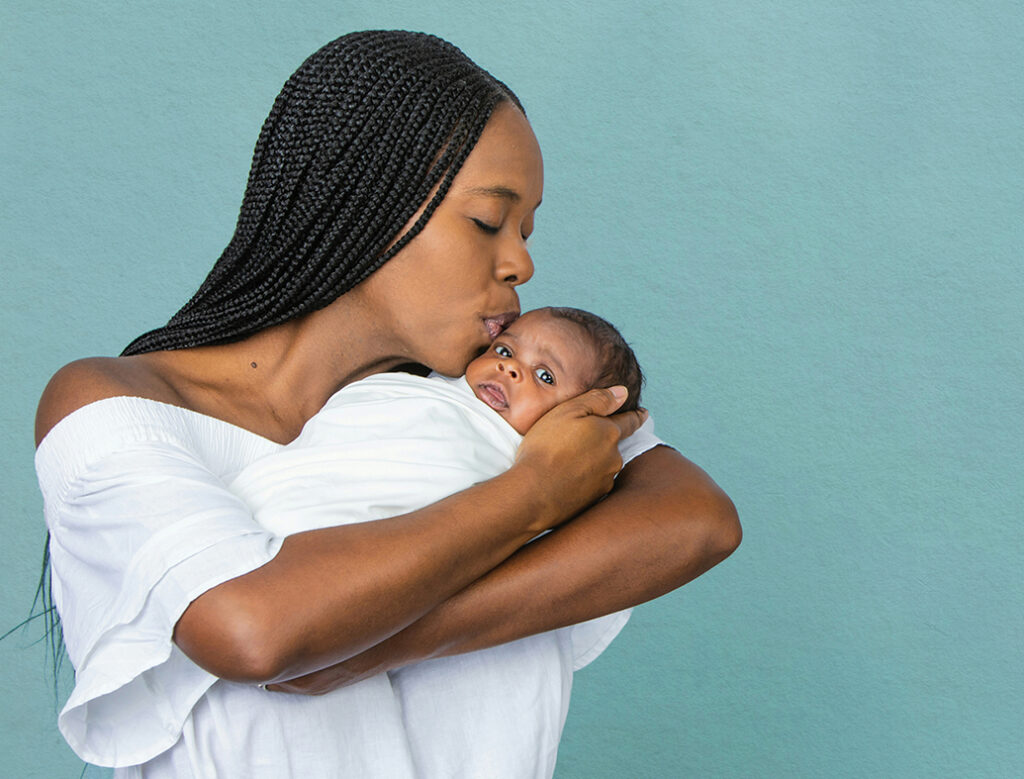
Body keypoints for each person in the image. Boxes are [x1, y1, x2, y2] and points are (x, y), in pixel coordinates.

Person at [34, 30, 740, 778]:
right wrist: (535, 494)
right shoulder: (117, 404)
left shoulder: (481, 409)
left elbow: (698, 517)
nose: (522, 262)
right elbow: (252, 629)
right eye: (486, 221)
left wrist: (387, 639)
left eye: (526, 230)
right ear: (364, 199)